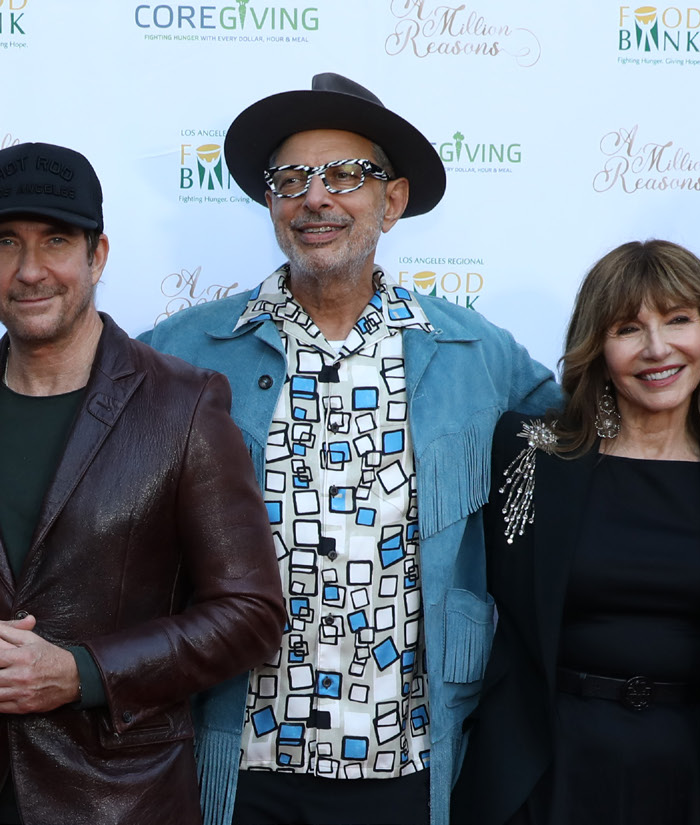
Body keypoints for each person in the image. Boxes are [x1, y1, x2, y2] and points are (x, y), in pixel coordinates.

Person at [140, 72, 562, 825]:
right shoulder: (187, 350)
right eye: (291, 179)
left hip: (407, 755)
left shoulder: (473, 352)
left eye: (344, 175)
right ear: (270, 203)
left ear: (391, 202)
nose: (315, 198)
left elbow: (589, 439)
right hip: (241, 755)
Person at [0, 142, 284, 824]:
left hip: (120, 796)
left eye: (54, 240)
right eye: (4, 243)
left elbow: (250, 612)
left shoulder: (184, 405)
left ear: (96, 255)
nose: (28, 270)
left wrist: (82, 671)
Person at [454, 240, 700, 825]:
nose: (658, 348)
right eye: (629, 328)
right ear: (598, 348)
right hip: (548, 768)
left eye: (679, 320)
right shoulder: (529, 451)